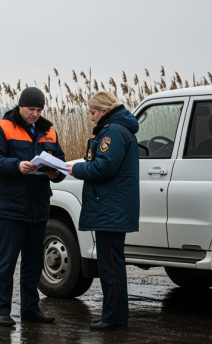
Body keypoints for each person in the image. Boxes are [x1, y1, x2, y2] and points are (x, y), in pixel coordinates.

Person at [0, 87, 66, 327]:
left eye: (39, 110)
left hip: (39, 207)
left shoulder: (49, 131)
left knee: (34, 262)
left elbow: (59, 163)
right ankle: (1, 311)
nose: (35, 114)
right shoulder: (2, 128)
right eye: (32, 109)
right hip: (11, 208)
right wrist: (16, 165)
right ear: (21, 106)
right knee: (5, 262)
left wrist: (54, 173)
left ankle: (30, 308)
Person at [66, 91, 140, 331]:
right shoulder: (121, 129)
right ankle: (114, 315)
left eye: (93, 112)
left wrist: (77, 168)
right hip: (113, 207)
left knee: (110, 267)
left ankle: (113, 318)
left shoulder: (112, 132)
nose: (91, 118)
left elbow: (104, 168)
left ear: (104, 110)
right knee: (112, 264)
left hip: (110, 208)